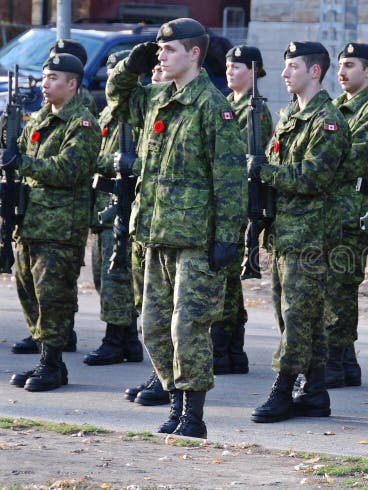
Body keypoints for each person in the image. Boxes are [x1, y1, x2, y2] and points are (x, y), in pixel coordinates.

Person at [106, 17, 247, 438]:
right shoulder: (156, 99)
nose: (161, 55)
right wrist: (129, 67)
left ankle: (194, 414)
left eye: (170, 50)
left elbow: (230, 180)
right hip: (154, 232)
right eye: (160, 50)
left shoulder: (213, 107)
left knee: (188, 327)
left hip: (197, 239)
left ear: (194, 54)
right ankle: (174, 400)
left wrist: (228, 237)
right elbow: (117, 101)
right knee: (152, 325)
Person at [249, 41, 350, 424]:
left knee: (296, 317)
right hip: (287, 233)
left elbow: (312, 177)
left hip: (310, 235)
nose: (284, 73)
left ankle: (283, 388)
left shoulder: (328, 121)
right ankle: (316, 389)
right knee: (298, 316)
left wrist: (263, 171)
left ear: (314, 71)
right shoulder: (292, 115)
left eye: (292, 66)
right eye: (285, 65)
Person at [1, 53, 100, 391]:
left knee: (53, 297)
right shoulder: (39, 119)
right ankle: (46, 360)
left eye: (54, 78)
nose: (45, 84)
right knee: (29, 293)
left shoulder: (82, 125)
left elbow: (69, 170)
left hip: (61, 227)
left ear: (72, 84)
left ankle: (52, 364)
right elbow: (15, 154)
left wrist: (22, 163)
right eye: (44, 77)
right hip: (29, 223)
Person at [210, 45, 273, 376]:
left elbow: (242, 155)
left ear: (254, 72)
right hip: (228, 198)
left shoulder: (255, 110)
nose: (230, 72)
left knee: (226, 275)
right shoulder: (230, 105)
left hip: (240, 199)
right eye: (228, 67)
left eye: (237, 67)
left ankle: (226, 349)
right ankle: (229, 349)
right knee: (227, 278)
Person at [323, 42, 368, 388]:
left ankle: (336, 359)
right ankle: (344, 361)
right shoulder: (335, 107)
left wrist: (321, 161)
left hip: (352, 212)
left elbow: (354, 159)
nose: (342, 72)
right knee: (331, 288)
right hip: (330, 212)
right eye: (341, 65)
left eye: (350, 65)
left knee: (340, 289)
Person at [83, 49, 143, 367]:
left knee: (116, 276)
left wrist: (95, 161)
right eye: (109, 72)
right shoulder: (108, 113)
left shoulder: (133, 112)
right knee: (102, 275)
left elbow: (129, 161)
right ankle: (129, 338)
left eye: (116, 72)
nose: (110, 77)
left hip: (121, 204)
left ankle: (115, 339)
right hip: (103, 205)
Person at [123, 62, 170, 407]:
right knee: (147, 308)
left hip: (174, 228)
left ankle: (168, 378)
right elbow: (118, 97)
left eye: (166, 55)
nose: (158, 68)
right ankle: (161, 371)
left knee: (168, 313)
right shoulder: (153, 106)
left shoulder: (206, 108)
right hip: (146, 223)